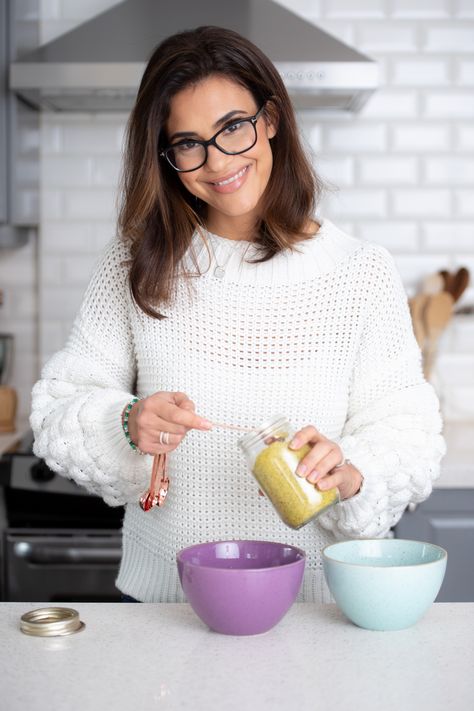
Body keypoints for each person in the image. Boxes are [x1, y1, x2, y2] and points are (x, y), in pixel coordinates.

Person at [30, 26, 445, 603]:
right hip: (168, 608)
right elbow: (57, 410)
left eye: (232, 127)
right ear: (166, 156)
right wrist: (127, 424)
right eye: (188, 142)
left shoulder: (362, 272)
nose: (217, 160)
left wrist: (351, 470)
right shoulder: (135, 263)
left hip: (316, 613)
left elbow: (410, 433)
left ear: (270, 118)